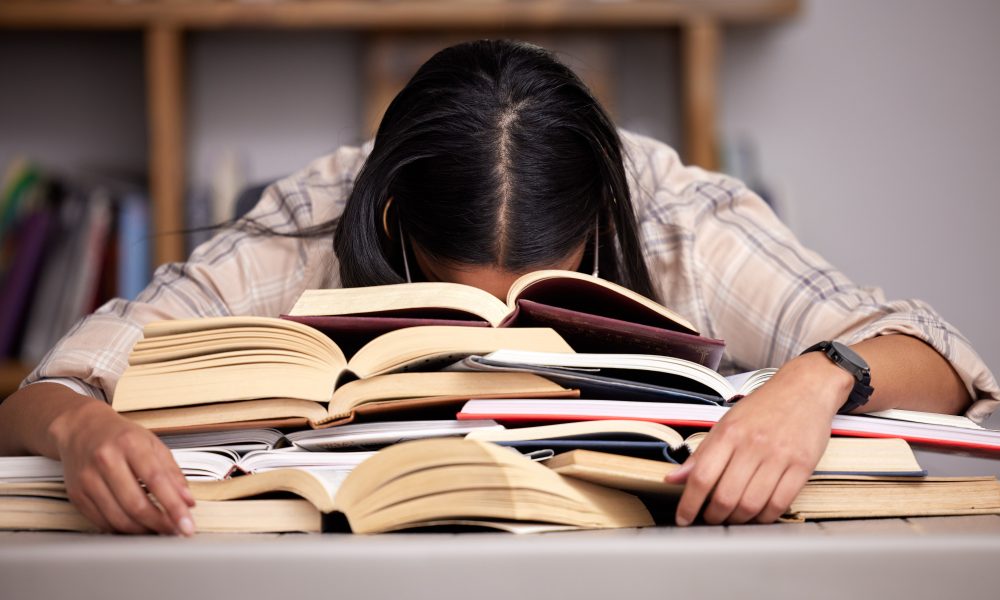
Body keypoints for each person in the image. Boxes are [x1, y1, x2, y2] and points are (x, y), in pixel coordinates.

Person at [0, 39, 996, 536]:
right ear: (394, 228)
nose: (505, 332)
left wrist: (815, 382)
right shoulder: (317, 214)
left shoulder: (675, 215)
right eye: (466, 296)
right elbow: (48, 389)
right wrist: (80, 429)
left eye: (542, 295)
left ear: (601, 225)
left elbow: (941, 363)